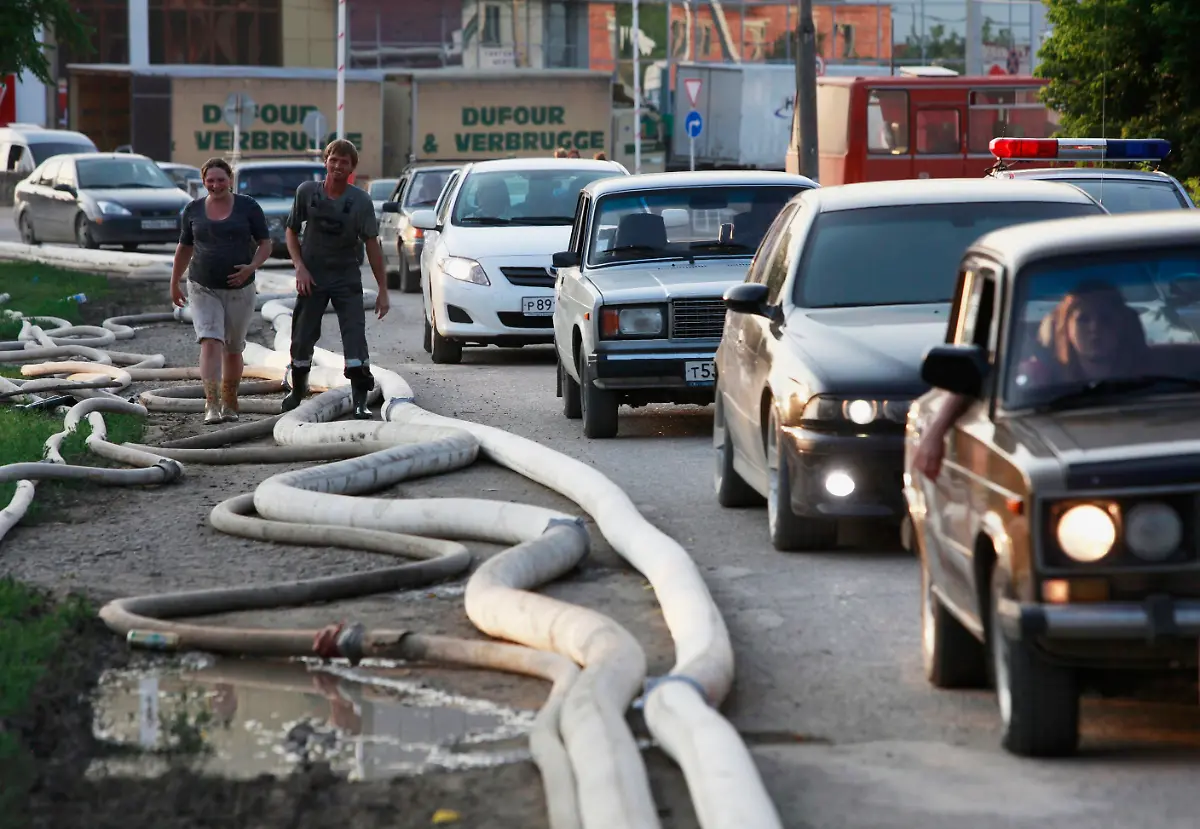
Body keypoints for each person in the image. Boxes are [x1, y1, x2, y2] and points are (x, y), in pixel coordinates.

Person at [913, 280, 1146, 479]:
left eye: (1106, 319)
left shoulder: (1158, 375)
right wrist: (935, 433)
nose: (1095, 328)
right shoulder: (1036, 377)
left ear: (1123, 325)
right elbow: (968, 379)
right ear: (1066, 328)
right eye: (1083, 319)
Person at [281, 138, 391, 419]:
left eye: (344, 161)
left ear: (352, 167)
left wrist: (382, 289)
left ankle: (359, 400)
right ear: (325, 162)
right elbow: (291, 231)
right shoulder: (307, 192)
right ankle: (298, 389)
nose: (338, 165)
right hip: (312, 275)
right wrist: (300, 267)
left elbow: (372, 245)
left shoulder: (360, 201)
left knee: (354, 337)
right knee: (302, 334)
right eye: (334, 160)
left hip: (346, 276)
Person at [171, 157, 272, 425]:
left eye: (221, 180)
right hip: (203, 285)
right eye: (210, 181)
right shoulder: (193, 210)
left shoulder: (248, 207)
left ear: (230, 180)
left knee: (233, 348)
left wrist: (251, 267)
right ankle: (211, 403)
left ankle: (230, 401)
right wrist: (174, 282)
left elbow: (265, 243)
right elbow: (184, 248)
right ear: (204, 182)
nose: (215, 185)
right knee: (210, 341)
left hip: (240, 288)